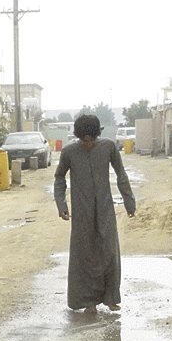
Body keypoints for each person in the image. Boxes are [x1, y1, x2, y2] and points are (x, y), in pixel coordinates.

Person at [53, 114, 136, 312]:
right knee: (84, 254)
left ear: (97, 135)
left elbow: (121, 174)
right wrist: (61, 205)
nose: (88, 143)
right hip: (81, 209)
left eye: (91, 139)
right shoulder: (69, 152)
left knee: (109, 251)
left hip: (105, 207)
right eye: (84, 140)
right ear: (79, 137)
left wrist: (129, 201)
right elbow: (59, 178)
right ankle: (88, 302)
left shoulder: (108, 147)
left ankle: (110, 297)